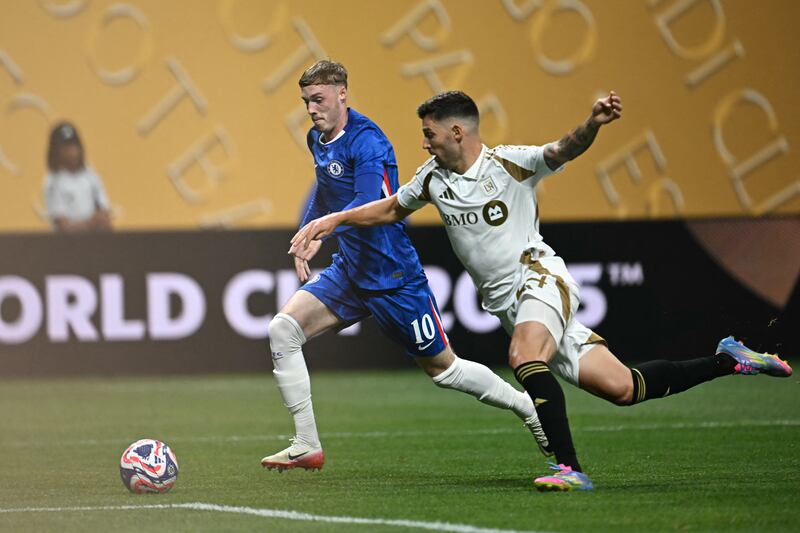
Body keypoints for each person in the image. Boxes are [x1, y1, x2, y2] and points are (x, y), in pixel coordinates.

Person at [289, 90, 794, 491]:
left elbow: (563, 148)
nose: (424, 143)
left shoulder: (512, 162)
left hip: (541, 281)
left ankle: (569, 467)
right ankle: (729, 359)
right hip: (513, 306)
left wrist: (592, 124)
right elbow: (391, 208)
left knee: (523, 354)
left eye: (430, 134)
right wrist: (332, 221)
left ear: (457, 131)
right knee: (624, 389)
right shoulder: (433, 178)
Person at [262, 62, 549, 472]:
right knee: (283, 330)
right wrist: (308, 233)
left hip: (392, 275)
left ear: (343, 94)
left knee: (444, 370)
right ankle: (306, 443)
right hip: (350, 269)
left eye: (319, 99)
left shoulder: (368, 143)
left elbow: (365, 205)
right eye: (306, 101)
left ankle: (526, 407)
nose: (311, 109)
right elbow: (326, 195)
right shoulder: (317, 139)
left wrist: (323, 229)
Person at [43, 121, 113, 232]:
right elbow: (63, 226)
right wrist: (91, 223)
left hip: (96, 241)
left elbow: (104, 211)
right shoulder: (53, 182)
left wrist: (103, 219)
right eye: (66, 148)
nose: (72, 152)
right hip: (68, 245)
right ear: (56, 151)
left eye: (74, 146)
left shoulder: (90, 175)